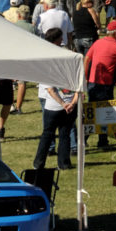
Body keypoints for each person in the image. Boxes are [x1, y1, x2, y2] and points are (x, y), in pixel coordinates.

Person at [32, 29, 78, 171]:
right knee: (64, 134)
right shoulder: (68, 65)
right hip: (68, 103)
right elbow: (78, 87)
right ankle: (64, 163)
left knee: (47, 134)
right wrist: (71, 103)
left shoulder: (49, 64)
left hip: (55, 105)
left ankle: (39, 163)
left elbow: (50, 89)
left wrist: (64, 103)